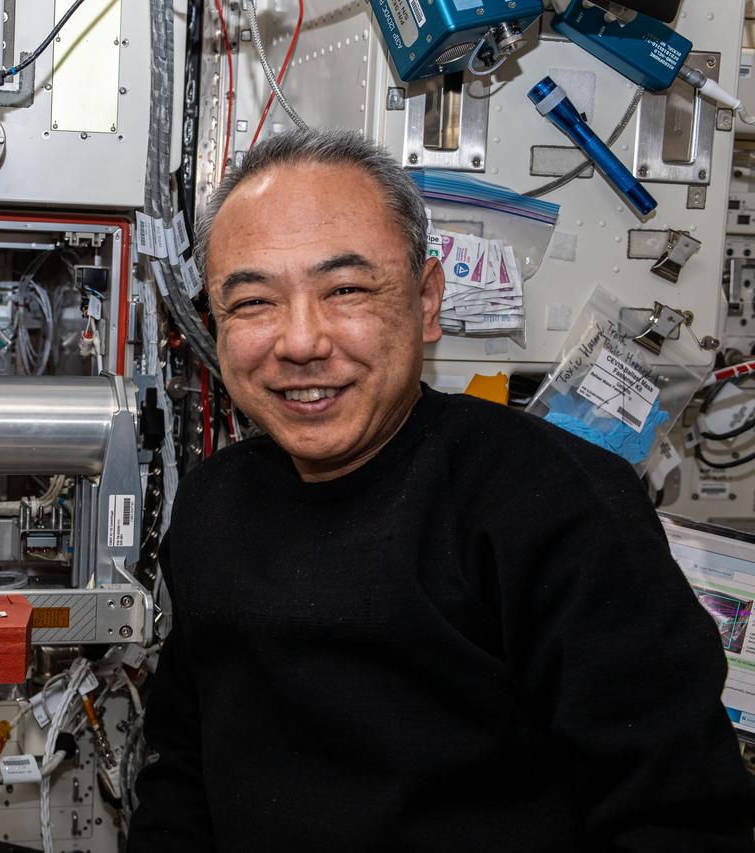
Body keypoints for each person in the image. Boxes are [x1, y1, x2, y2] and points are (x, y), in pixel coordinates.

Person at [126, 128, 755, 851]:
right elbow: (180, 777)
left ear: (427, 301)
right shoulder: (212, 506)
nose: (300, 342)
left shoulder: (556, 505)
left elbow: (680, 820)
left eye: (346, 290)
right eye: (254, 302)